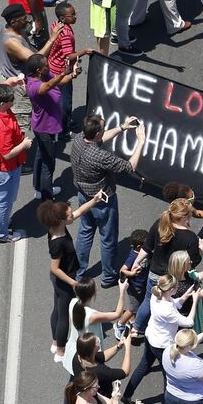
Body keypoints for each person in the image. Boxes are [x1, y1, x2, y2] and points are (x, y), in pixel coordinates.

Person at [71, 114, 146, 285]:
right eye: (102, 129)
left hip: (83, 195)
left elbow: (101, 137)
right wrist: (140, 141)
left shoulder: (78, 139)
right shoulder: (100, 156)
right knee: (108, 239)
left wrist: (122, 127)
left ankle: (79, 271)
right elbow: (129, 167)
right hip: (103, 200)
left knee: (85, 232)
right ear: (96, 134)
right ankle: (108, 276)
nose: (104, 132)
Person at [129, 198, 203, 335]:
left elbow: (147, 247)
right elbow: (193, 261)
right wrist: (201, 245)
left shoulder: (160, 224)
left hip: (154, 274)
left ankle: (137, 328)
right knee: (173, 303)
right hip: (174, 277)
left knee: (148, 300)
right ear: (185, 216)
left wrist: (136, 263)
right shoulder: (190, 238)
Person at [37, 192, 104, 362]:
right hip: (64, 280)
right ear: (60, 220)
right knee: (64, 315)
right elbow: (55, 268)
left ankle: (55, 342)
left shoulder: (57, 226)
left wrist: (94, 201)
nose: (72, 214)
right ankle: (60, 351)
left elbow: (79, 212)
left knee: (57, 309)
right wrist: (73, 282)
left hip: (61, 280)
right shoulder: (57, 242)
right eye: (69, 214)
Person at [0, 3, 64, 175]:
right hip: (18, 86)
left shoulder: (9, 29)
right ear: (13, 21)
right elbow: (35, 59)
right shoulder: (12, 42)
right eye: (23, 19)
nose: (26, 21)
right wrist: (52, 39)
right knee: (20, 123)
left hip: (12, 77)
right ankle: (17, 162)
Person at [122, 274, 200, 404]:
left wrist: (188, 293)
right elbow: (189, 322)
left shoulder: (156, 296)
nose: (178, 288)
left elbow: (176, 303)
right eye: (176, 287)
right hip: (162, 345)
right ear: (171, 290)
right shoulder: (168, 310)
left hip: (151, 337)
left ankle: (127, 395)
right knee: (168, 375)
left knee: (144, 365)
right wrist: (195, 300)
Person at [0, 83, 33, 243]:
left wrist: (15, 81)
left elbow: (1, 86)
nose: (14, 101)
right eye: (11, 100)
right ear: (3, 104)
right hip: (5, 168)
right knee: (4, 201)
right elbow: (7, 154)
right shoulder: (1, 128)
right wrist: (24, 145)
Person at [26, 53, 79, 199]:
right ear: (38, 70)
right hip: (46, 129)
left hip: (42, 127)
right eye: (46, 66)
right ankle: (47, 197)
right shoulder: (34, 86)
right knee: (48, 164)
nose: (48, 67)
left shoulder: (43, 75)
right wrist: (63, 73)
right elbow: (48, 86)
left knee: (40, 156)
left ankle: (39, 188)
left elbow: (59, 82)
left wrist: (73, 75)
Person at [49, 2, 93, 138]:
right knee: (65, 102)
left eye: (75, 14)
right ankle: (64, 130)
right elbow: (69, 55)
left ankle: (64, 122)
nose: (75, 17)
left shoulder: (56, 26)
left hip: (53, 65)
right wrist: (85, 51)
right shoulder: (66, 34)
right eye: (72, 15)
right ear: (63, 18)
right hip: (62, 70)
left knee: (58, 99)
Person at [63, 278, 128, 371]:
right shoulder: (92, 316)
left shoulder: (72, 302)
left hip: (74, 348)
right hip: (89, 352)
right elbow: (117, 314)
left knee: (77, 377)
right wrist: (122, 291)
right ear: (92, 294)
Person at [163, 328, 203, 404]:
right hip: (192, 403)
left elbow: (184, 346)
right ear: (188, 346)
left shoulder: (167, 351)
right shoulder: (194, 365)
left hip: (171, 396)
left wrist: (202, 334)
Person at [169, 250, 203, 333]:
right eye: (188, 261)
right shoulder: (183, 287)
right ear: (182, 266)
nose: (191, 261)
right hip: (187, 313)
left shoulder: (178, 275)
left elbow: (196, 276)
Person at [73, 332, 132, 398]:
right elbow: (125, 372)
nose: (98, 339)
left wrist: (119, 346)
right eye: (96, 342)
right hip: (102, 399)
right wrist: (128, 347)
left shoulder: (79, 356)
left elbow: (103, 356)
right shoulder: (100, 372)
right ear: (92, 349)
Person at [115, 229, 150, 339]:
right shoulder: (133, 256)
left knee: (139, 305)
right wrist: (132, 273)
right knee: (133, 309)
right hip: (135, 288)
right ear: (139, 247)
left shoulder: (145, 253)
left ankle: (133, 320)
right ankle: (119, 324)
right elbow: (122, 270)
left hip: (142, 285)